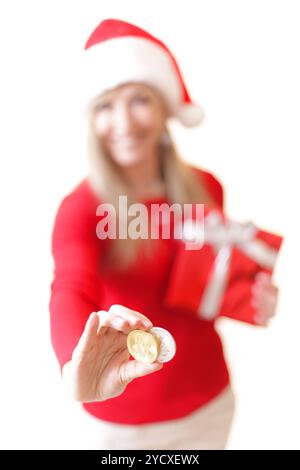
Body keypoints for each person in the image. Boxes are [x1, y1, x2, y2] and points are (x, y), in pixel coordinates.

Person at [49, 18, 279, 450]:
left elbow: (201, 287)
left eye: (139, 100)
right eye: (105, 105)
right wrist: (70, 365)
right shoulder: (81, 210)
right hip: (117, 419)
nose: (123, 122)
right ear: (90, 118)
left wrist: (250, 295)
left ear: (163, 107)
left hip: (208, 404)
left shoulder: (206, 187)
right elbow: (69, 288)